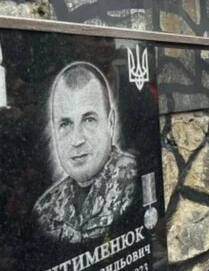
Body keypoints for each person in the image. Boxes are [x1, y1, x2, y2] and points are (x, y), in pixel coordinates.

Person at [32, 62, 137, 244]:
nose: (77, 140)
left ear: (110, 123)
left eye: (89, 120)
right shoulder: (45, 209)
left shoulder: (132, 180)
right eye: (65, 124)